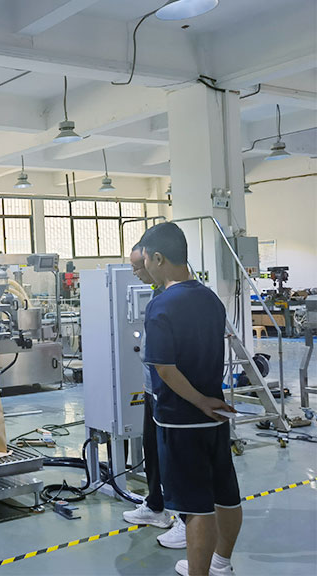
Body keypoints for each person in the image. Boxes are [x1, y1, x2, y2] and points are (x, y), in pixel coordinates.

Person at [140, 222, 242, 576]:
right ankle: (221, 563)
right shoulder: (211, 299)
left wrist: (198, 400)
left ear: (158, 258)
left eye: (146, 261)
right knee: (225, 494)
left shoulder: (162, 305)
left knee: (196, 507)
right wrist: (208, 401)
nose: (146, 268)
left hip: (180, 418)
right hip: (216, 415)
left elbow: (165, 369)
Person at [122, 245, 188, 550]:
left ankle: (187, 519)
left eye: (140, 265)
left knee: (176, 456)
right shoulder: (158, 295)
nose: (137, 272)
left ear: (157, 260)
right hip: (153, 388)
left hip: (171, 391)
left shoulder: (181, 298)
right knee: (153, 448)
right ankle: (156, 506)